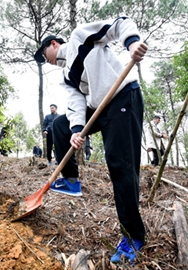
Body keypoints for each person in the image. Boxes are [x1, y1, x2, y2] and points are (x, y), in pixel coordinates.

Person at [34, 17, 147, 265]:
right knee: (60, 125)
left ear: (54, 43)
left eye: (45, 54)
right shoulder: (65, 75)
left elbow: (120, 23)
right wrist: (76, 129)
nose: (47, 61)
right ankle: (72, 181)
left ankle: (133, 235)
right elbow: (75, 103)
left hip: (122, 97)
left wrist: (132, 43)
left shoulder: (78, 37)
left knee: (120, 164)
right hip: (99, 107)